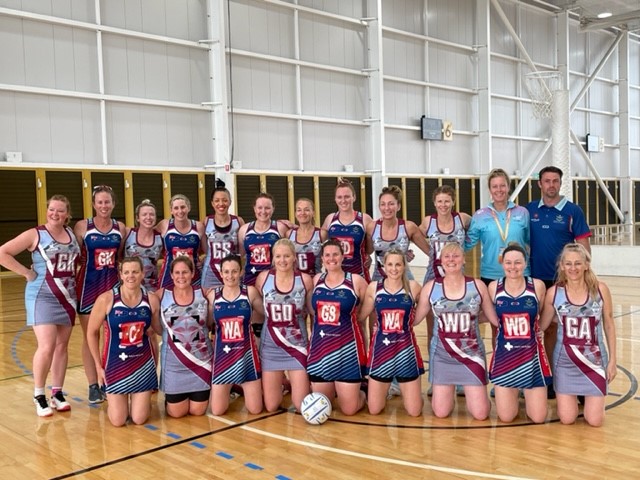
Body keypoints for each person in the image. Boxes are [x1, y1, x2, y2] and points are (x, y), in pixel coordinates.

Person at [0, 195, 80, 417]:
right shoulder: (35, 234)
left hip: (67, 296)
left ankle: (57, 393)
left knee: (61, 347)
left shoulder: (72, 235)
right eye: (52, 209)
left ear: (67, 214)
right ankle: (39, 395)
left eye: (60, 211)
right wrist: (26, 272)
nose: (55, 214)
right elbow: (2, 253)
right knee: (46, 346)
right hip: (42, 297)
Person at [526, 166, 591, 399]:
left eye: (555, 181)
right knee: (546, 329)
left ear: (560, 183)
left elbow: (583, 247)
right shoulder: (529, 210)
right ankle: (550, 378)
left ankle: (580, 379)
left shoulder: (573, 210)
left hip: (565, 279)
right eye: (547, 181)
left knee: (571, 330)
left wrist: (586, 276)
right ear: (539, 184)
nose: (551, 185)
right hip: (536, 282)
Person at [414, 242, 499, 420]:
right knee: (441, 412)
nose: (451, 260)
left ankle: (480, 398)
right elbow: (416, 319)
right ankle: (447, 396)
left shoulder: (477, 286)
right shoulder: (431, 287)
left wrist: (530, 324)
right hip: (442, 356)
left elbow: (493, 319)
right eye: (447, 256)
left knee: (481, 414)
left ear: (463, 260)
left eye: (456, 256)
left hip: (472, 355)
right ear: (440, 261)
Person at [539, 243, 617, 427]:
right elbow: (541, 327)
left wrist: (613, 361)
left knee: (595, 421)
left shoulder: (600, 290)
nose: (573, 268)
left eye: (577, 263)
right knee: (567, 419)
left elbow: (609, 325)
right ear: (562, 266)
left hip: (595, 362)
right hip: (565, 363)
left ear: (586, 265)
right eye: (568, 263)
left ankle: (592, 402)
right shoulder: (554, 293)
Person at [86, 257, 160, 427]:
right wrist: (98, 367)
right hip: (115, 364)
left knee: (139, 419)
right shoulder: (106, 299)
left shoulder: (151, 300)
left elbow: (158, 331)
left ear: (142, 274)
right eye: (126, 272)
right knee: (118, 421)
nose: (130, 276)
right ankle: (118, 401)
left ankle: (140, 398)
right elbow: (91, 333)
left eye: (135, 272)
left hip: (142, 364)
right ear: (120, 275)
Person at [487, 243, 551, 423]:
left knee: (538, 418)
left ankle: (526, 392)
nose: (513, 267)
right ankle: (513, 390)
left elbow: (544, 316)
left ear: (525, 263)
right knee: (506, 417)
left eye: (517, 262)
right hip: (505, 357)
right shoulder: (493, 287)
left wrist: (540, 331)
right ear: (502, 263)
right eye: (508, 263)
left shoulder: (537, 286)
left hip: (531, 357)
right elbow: (490, 317)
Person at [75, 184, 126, 403]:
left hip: (112, 287)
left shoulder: (120, 228)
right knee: (90, 337)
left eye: (107, 202)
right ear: (94, 204)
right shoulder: (81, 227)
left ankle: (111, 379)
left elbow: (120, 256)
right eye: (100, 202)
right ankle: (93, 384)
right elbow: (74, 255)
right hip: (88, 287)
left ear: (113, 204)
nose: (104, 205)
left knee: (113, 336)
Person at [358, 250, 424, 417]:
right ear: (383, 266)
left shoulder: (413, 287)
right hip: (381, 352)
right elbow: (361, 315)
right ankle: (370, 389)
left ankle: (408, 391)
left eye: (398, 264)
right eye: (390, 264)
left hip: (406, 350)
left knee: (414, 412)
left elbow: (425, 312)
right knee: (374, 409)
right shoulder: (374, 287)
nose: (394, 269)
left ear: (404, 266)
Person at [307, 239, 368, 415]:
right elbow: (312, 312)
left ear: (342, 256)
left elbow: (365, 314)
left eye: (335, 254)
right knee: (322, 405)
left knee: (349, 410)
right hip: (321, 351)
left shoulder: (356, 281)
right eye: (327, 255)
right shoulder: (317, 280)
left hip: (347, 351)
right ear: (322, 258)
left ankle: (363, 392)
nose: (331, 258)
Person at [419, 185, 472, 388]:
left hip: (458, 279)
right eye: (439, 201)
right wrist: (427, 252)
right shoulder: (428, 222)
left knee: (459, 328)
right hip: (433, 278)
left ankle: (459, 376)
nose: (443, 205)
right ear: (434, 203)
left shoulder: (463, 219)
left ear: (453, 202)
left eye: (447, 201)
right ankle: (436, 378)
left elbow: (477, 233)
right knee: (434, 330)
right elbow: (412, 236)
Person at [255, 239, 313, 412]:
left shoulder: (305, 280)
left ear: (294, 257)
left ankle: (298, 384)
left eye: (287, 256)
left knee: (300, 404)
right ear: (272, 258)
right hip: (271, 346)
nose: (282, 260)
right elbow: (259, 310)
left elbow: (311, 312)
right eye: (278, 256)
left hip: (297, 345)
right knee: (271, 406)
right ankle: (284, 384)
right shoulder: (263, 278)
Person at [153, 257, 213, 418]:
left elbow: (209, 323)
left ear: (192, 273)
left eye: (185, 272)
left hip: (201, 362)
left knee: (197, 411)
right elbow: (157, 328)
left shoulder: (204, 294)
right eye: (177, 273)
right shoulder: (160, 296)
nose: (181, 276)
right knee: (177, 414)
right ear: (171, 275)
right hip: (174, 365)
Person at [209, 254, 264, 415]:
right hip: (223, 357)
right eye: (226, 272)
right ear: (221, 273)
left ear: (240, 272)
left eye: (234, 271)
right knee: (217, 411)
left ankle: (239, 386)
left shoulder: (250, 293)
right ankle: (232, 386)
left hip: (246, 355)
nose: (230, 276)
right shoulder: (213, 296)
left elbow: (268, 314)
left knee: (255, 410)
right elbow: (205, 323)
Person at [465, 169, 530, 284]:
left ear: (508, 187)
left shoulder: (522, 212)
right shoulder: (480, 215)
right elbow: (467, 243)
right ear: (490, 189)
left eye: (502, 186)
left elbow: (532, 242)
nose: (499, 190)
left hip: (520, 273)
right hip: (491, 275)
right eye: (494, 186)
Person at [367, 185, 430, 281]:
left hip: (404, 279)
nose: (387, 208)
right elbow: (367, 253)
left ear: (399, 206)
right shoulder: (372, 227)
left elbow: (431, 252)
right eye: (383, 204)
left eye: (391, 204)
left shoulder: (409, 227)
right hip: (379, 279)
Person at [322, 178, 373, 281]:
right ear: (335, 199)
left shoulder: (365, 219)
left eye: (347, 197)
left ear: (354, 197)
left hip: (359, 275)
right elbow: (314, 239)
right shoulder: (330, 219)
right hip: (334, 277)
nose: (343, 201)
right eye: (339, 197)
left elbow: (371, 248)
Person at [201, 179, 245, 289]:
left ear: (230, 202)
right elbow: (205, 249)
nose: (221, 204)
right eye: (217, 200)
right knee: (209, 303)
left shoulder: (238, 222)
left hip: (232, 272)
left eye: (225, 200)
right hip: (210, 272)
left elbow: (241, 251)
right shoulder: (206, 222)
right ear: (212, 203)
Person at [238, 193, 289, 287]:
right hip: (250, 279)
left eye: (267, 208)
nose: (263, 211)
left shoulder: (280, 228)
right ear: (254, 208)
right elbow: (240, 257)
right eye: (260, 207)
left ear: (273, 208)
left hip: (274, 279)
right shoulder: (244, 230)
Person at [157, 194, 205, 289]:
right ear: (171, 210)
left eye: (183, 207)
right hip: (169, 273)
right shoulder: (165, 225)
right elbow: (149, 234)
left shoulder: (198, 226)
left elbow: (208, 251)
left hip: (193, 273)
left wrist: (203, 261)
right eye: (176, 208)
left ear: (189, 208)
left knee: (195, 300)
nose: (180, 211)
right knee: (165, 300)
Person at [124, 199, 163, 292]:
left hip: (152, 287)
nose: (148, 217)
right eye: (144, 214)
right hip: (129, 284)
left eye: (152, 214)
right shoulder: (128, 233)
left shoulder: (160, 237)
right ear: (137, 218)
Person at [287, 198, 327, 277]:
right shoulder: (289, 234)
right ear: (295, 213)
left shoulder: (322, 234)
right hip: (296, 282)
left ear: (313, 213)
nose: (302, 213)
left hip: (315, 280)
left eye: (307, 210)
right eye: (299, 210)